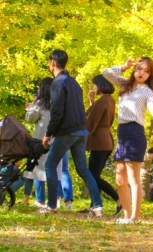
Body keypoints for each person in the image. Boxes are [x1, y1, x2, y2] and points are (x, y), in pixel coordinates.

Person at [103, 57, 153, 224]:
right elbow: (106, 73)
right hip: (122, 133)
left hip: (135, 132)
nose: (142, 73)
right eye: (139, 68)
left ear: (150, 75)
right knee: (120, 179)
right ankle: (126, 216)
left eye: (147, 71)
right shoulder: (124, 85)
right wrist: (124, 66)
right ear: (135, 69)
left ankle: (134, 217)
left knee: (133, 178)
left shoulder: (146, 92)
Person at [39, 49, 103, 216]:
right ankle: (97, 206)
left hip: (68, 131)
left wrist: (48, 133)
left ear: (52, 62)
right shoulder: (73, 82)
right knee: (83, 169)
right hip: (82, 130)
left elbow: (57, 111)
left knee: (50, 165)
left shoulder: (58, 82)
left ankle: (51, 206)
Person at [83, 74, 121, 215]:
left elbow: (90, 123)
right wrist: (91, 102)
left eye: (94, 85)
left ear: (99, 85)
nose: (93, 87)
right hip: (106, 141)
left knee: (93, 176)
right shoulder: (109, 100)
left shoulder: (102, 101)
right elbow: (98, 118)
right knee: (95, 174)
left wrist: (80, 137)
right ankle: (94, 205)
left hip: (99, 142)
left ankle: (119, 200)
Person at [23, 78, 62, 207]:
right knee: (53, 169)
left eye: (39, 87)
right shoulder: (58, 102)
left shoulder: (40, 103)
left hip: (40, 139)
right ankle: (56, 200)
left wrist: (29, 108)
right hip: (56, 139)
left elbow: (30, 118)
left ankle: (39, 200)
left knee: (37, 167)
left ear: (43, 88)